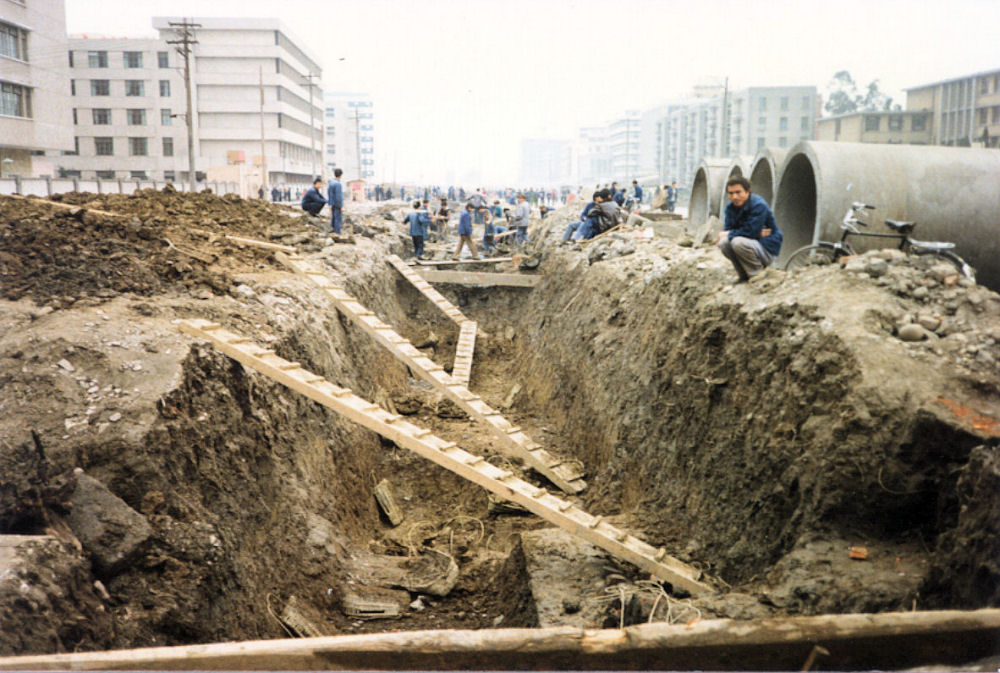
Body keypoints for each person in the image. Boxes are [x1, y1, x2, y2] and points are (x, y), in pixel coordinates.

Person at [717, 177, 783, 283]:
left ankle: (757, 273)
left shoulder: (758, 205)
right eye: (731, 193)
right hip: (751, 245)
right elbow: (730, 230)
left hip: (766, 249)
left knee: (737, 241)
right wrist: (754, 233)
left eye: (738, 192)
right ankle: (743, 275)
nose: (734, 197)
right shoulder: (730, 208)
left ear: (748, 191)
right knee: (724, 243)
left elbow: (750, 231)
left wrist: (734, 233)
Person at [327, 168, 344, 234]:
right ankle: (337, 233)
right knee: (338, 219)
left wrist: (330, 204)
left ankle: (333, 231)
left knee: (333, 218)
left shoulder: (331, 183)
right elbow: (338, 196)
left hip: (332, 203)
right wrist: (341, 206)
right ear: (340, 175)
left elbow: (329, 194)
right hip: (337, 204)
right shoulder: (338, 184)